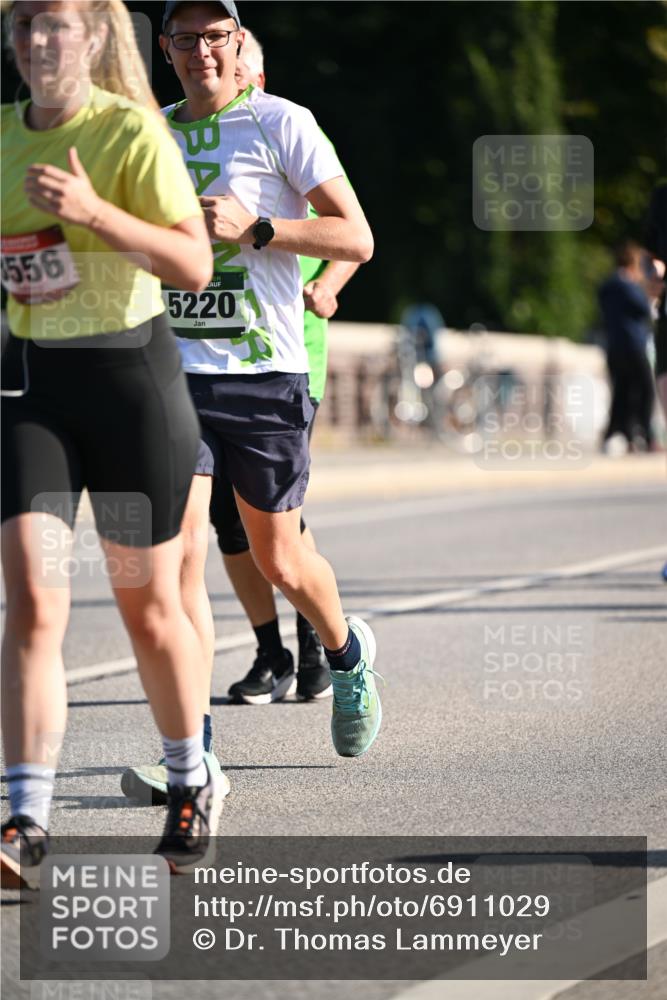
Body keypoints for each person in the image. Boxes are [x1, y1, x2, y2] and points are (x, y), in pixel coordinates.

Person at [120, 0, 381, 805]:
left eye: (215, 36)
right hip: (173, 374)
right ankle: (192, 755)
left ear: (238, 44)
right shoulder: (149, 133)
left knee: (279, 561)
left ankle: (346, 655)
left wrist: (258, 228)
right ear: (165, 49)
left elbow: (356, 237)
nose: (200, 50)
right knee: (178, 564)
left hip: (264, 372)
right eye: (184, 37)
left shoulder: (280, 122)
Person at [0, 0, 223, 885]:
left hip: (131, 391)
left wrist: (93, 213)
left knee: (148, 608)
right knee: (33, 602)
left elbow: (192, 265)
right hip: (33, 392)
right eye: (23, 25)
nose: (37, 41)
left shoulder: (128, 133)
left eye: (55, 24)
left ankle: (189, 781)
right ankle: (25, 820)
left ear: (93, 36)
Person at [215, 30, 361, 707]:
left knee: (275, 516)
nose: (228, 75)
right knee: (224, 518)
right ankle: (268, 651)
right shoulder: (188, 136)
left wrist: (327, 284)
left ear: (259, 75)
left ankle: (316, 645)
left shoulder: (288, 129)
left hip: (289, 351)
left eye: (241, 66)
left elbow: (351, 232)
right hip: (208, 357)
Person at [598, 240, 656, 451]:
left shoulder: (607, 285)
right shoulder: (627, 285)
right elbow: (645, 309)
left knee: (622, 392)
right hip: (633, 346)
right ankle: (646, 436)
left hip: (614, 346)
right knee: (645, 391)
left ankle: (622, 434)